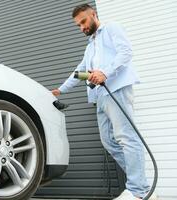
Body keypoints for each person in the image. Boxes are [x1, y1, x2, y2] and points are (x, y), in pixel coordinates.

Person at [52, 4, 158, 200]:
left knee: (127, 137)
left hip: (116, 88)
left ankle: (138, 191)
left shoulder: (111, 28)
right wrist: (60, 90)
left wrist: (105, 72)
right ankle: (143, 185)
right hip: (99, 97)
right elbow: (79, 72)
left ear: (93, 14)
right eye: (78, 25)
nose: (82, 27)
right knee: (109, 141)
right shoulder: (89, 47)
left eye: (83, 21)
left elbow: (125, 52)